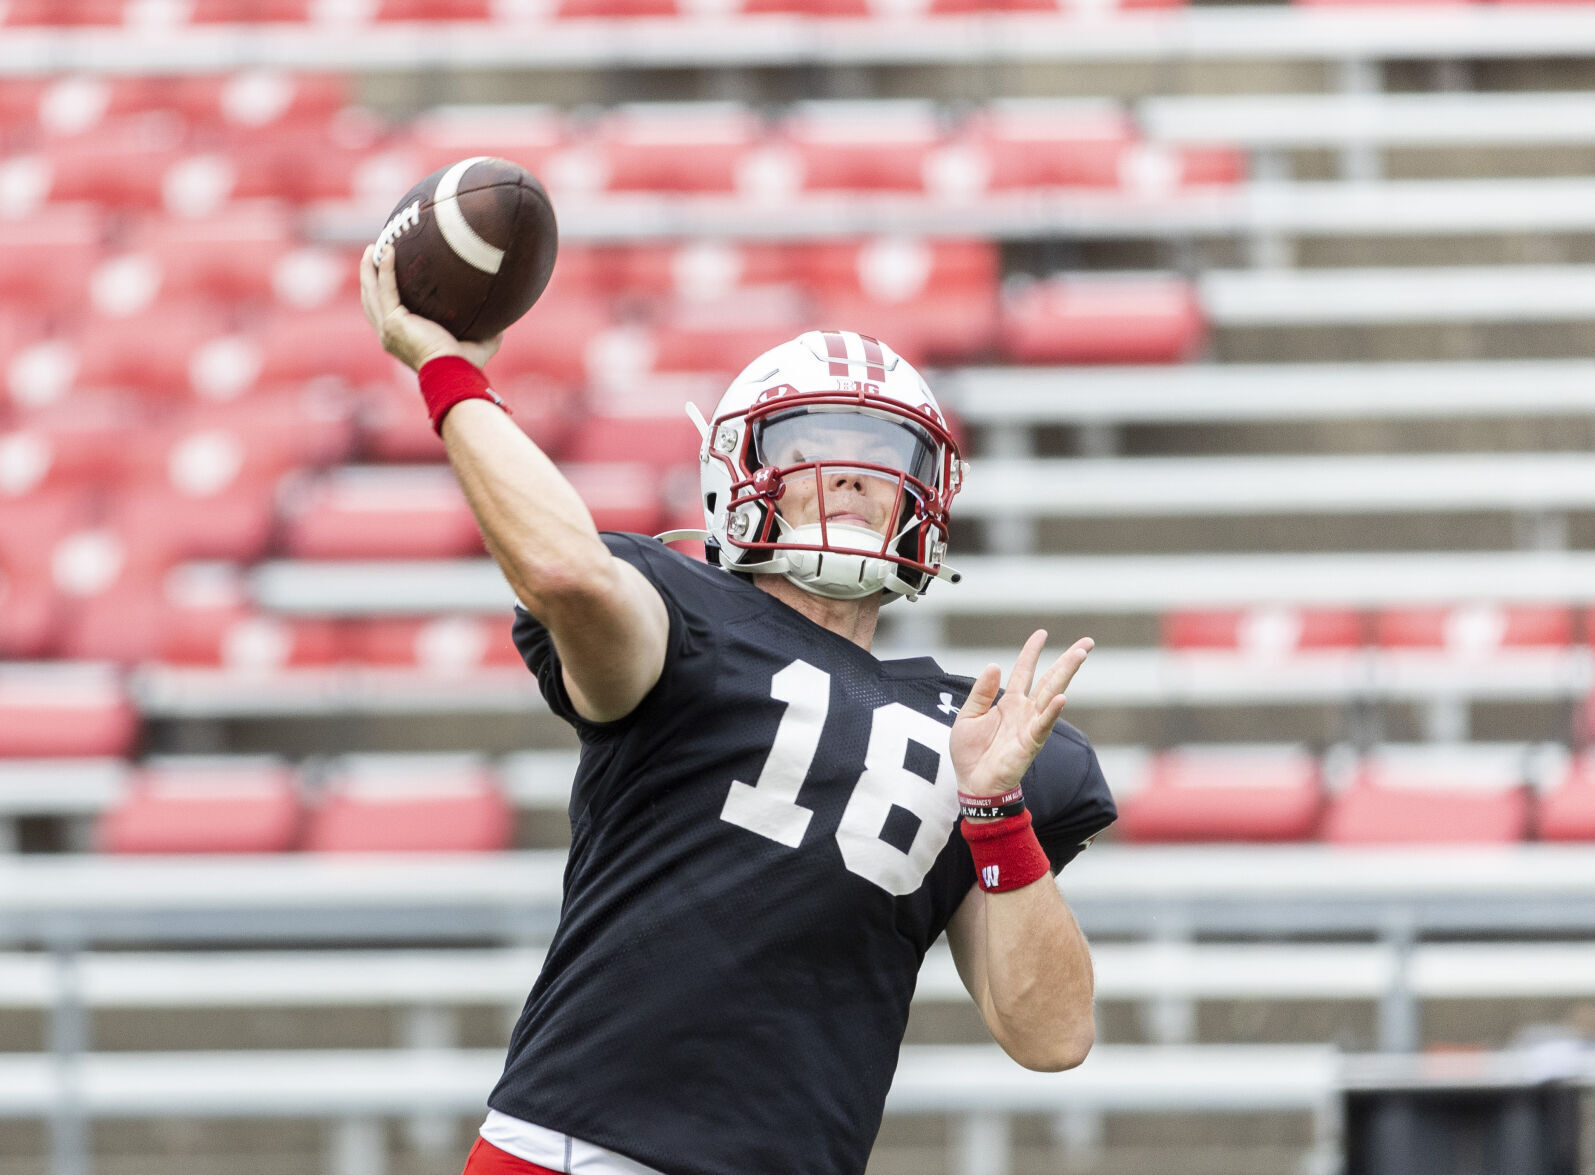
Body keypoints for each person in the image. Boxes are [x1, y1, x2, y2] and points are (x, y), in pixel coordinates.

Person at [360, 245, 1116, 1175]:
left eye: (886, 454)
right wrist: (450, 373)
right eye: (807, 445)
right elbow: (564, 571)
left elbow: (1052, 1036)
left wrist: (996, 813)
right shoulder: (680, 617)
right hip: (577, 1154)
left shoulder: (972, 731)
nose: (852, 472)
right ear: (738, 474)